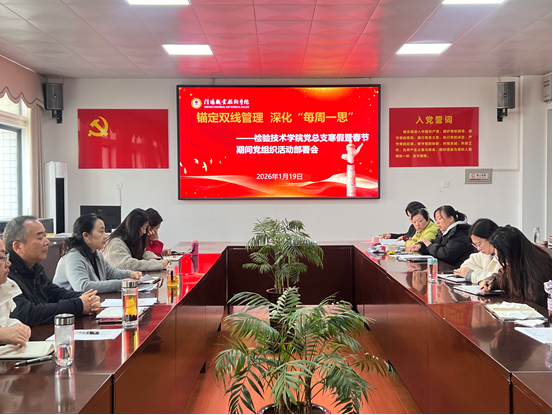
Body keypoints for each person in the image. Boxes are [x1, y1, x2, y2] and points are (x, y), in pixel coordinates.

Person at [3, 216, 101, 327]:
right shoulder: (5, 274)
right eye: (40, 238)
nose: (47, 242)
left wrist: (85, 297)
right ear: (18, 246)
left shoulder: (35, 267)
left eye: (45, 236)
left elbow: (53, 292)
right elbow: (27, 313)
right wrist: (78, 305)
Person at [53, 214, 142, 294]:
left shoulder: (96, 254)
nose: (106, 236)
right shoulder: (73, 257)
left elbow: (111, 273)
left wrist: (130, 274)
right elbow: (83, 287)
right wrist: (122, 283)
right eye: (101, 231)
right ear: (86, 236)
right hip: (70, 305)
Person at [479, 225, 552, 308]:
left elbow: (532, 300)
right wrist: (489, 282)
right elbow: (502, 275)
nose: (503, 261)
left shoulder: (537, 268)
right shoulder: (517, 261)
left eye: (503, 257)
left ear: (511, 253)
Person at [103, 208, 169, 271]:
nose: (144, 232)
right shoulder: (115, 242)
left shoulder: (130, 240)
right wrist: (157, 264)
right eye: (143, 228)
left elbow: (143, 252)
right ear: (134, 228)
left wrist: (153, 259)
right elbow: (128, 264)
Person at [0, 239, 31, 347]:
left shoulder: (4, 286)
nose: (8, 263)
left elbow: (4, 322)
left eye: (6, 257)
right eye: (2, 258)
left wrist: (18, 327)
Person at [454, 218, 501, 284]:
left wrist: (473, 274)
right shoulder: (485, 254)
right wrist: (483, 274)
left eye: (479, 244)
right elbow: (465, 266)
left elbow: (499, 278)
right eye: (475, 245)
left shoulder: (504, 255)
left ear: (491, 238)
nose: (478, 249)